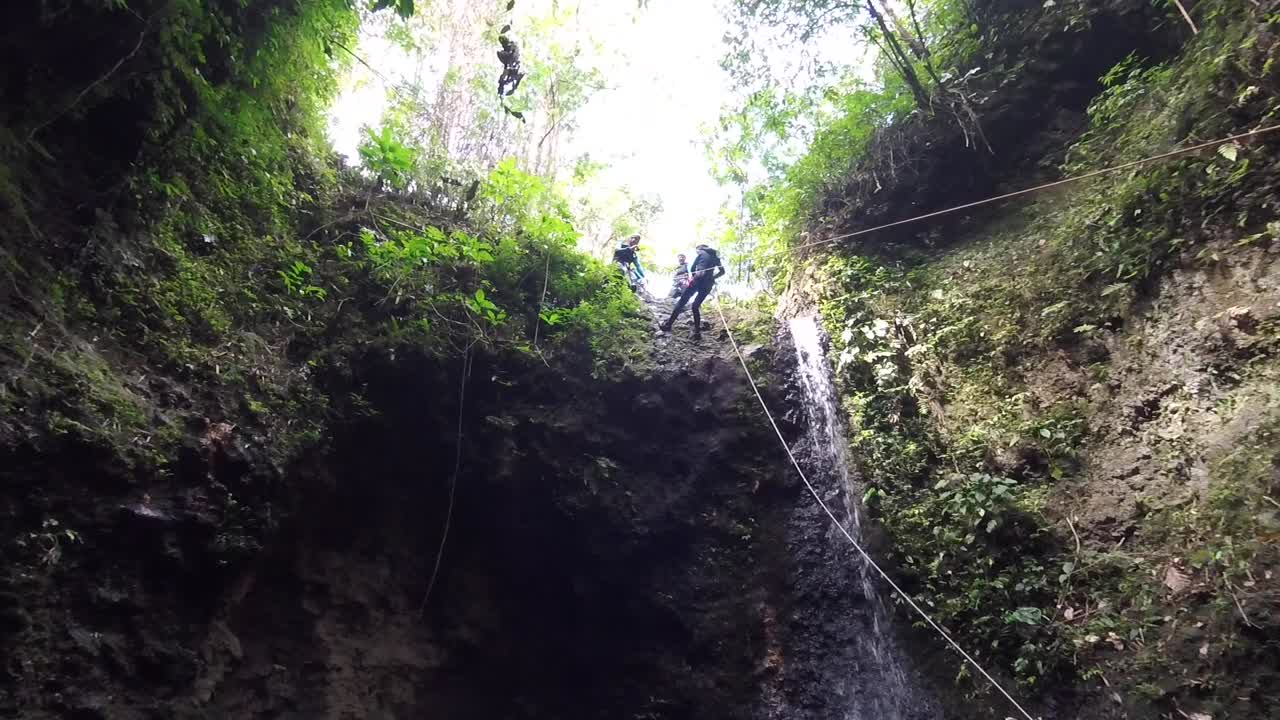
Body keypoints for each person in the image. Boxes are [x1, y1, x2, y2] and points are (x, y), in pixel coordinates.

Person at [660, 244, 724, 340]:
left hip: (697, 280)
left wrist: (694, 276)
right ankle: (697, 332)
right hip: (708, 285)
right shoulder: (716, 257)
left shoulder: (702, 253)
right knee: (695, 306)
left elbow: (694, 268)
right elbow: (722, 271)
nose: (696, 252)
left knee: (682, 302)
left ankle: (668, 324)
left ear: (700, 248)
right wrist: (712, 278)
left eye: (696, 250)